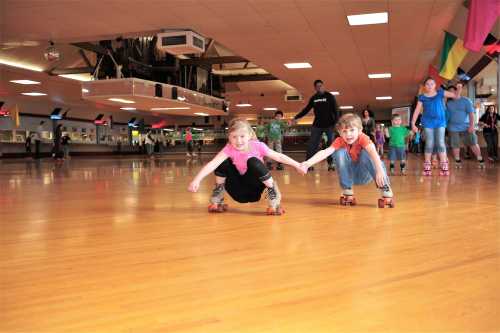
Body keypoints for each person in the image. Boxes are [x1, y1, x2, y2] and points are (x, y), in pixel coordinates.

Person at [188, 118, 304, 215]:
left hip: (255, 189)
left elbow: (278, 157)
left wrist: (297, 165)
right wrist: (197, 180)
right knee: (222, 162)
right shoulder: (228, 149)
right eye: (234, 137)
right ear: (229, 137)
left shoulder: (258, 146)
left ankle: (273, 193)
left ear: (249, 135)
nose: (238, 141)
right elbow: (212, 164)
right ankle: (218, 194)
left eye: (242, 136)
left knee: (252, 161)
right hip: (238, 191)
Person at [300, 113, 394, 208]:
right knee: (338, 152)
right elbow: (325, 152)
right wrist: (308, 163)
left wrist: (379, 170)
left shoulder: (363, 138)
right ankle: (347, 188)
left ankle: (385, 187)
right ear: (340, 133)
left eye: (352, 130)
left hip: (367, 174)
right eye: (344, 131)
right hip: (349, 176)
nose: (348, 134)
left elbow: (373, 152)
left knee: (367, 152)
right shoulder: (339, 141)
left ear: (360, 130)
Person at [411, 77, 461, 176]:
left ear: (435, 85)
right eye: (427, 84)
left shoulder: (440, 92)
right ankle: (427, 166)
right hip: (428, 122)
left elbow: (456, 96)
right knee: (429, 143)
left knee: (440, 142)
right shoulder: (422, 97)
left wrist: (459, 88)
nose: (430, 86)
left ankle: (444, 166)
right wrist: (413, 123)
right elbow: (417, 110)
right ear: (425, 86)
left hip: (440, 121)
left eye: (432, 84)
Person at [293, 79, 339, 171]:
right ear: (315, 88)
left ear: (323, 86)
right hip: (317, 125)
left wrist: (336, 122)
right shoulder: (313, 98)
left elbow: (336, 110)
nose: (319, 87)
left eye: (321, 85)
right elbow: (306, 109)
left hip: (329, 124)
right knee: (312, 144)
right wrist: (296, 117)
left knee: (331, 144)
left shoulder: (329, 96)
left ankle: (331, 163)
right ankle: (308, 164)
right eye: (317, 86)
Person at [445, 85, 485, 169]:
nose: (451, 93)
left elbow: (471, 114)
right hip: (452, 127)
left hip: (466, 126)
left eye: (452, 91)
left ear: (456, 91)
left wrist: (471, 126)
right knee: (455, 145)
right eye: (449, 92)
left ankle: (480, 159)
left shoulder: (466, 100)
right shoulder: (448, 103)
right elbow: (446, 115)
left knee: (473, 143)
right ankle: (457, 161)